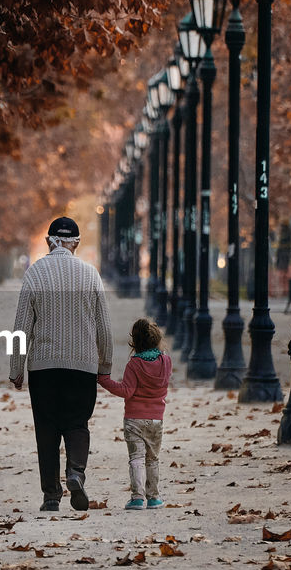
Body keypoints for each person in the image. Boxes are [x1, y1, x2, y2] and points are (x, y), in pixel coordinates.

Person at [9, 217, 113, 512]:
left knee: (47, 430)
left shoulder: (34, 274)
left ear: (48, 242)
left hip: (44, 369)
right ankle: (76, 473)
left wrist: (16, 368)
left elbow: (21, 328)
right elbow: (104, 327)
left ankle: (51, 496)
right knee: (77, 424)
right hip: (82, 366)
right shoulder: (90, 275)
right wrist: (104, 365)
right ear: (76, 244)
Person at [97, 318, 172, 510]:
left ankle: (137, 498)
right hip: (156, 419)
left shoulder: (135, 364)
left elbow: (126, 391)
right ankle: (154, 497)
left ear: (135, 342)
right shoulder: (166, 361)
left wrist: (104, 380)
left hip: (134, 419)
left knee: (136, 458)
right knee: (152, 458)